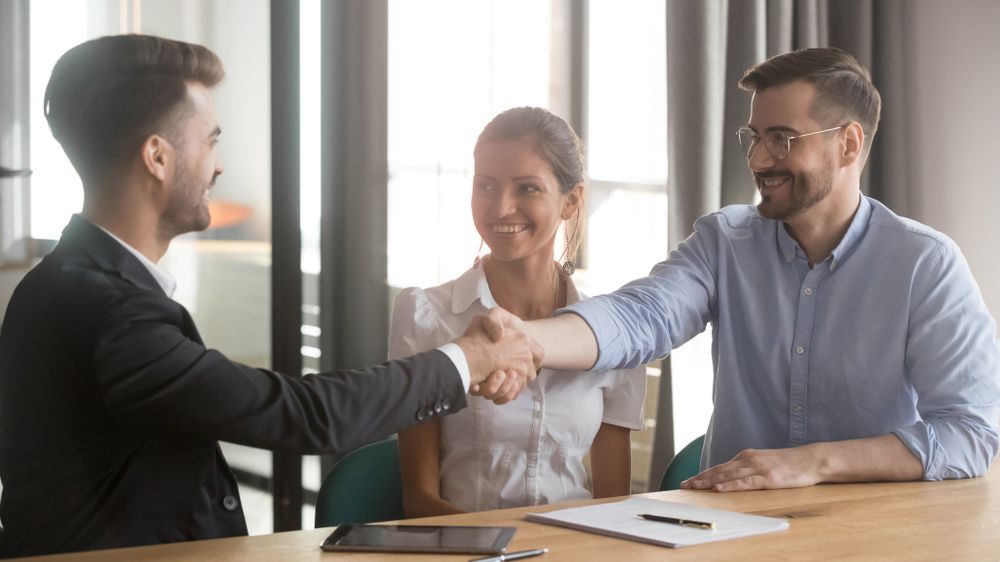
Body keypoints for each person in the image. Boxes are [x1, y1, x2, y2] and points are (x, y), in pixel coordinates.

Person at [0, 35, 538, 558]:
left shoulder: (61, 284)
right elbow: (305, 415)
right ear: (157, 157)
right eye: (210, 140)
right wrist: (468, 358)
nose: (220, 164)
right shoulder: (113, 315)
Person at [501, 47, 1000, 491]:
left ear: (848, 143)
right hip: (733, 531)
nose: (759, 160)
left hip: (870, 536)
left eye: (782, 139)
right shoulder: (725, 242)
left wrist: (814, 463)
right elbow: (640, 316)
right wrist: (525, 340)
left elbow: (970, 434)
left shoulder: (925, 265)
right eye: (755, 137)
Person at [389, 107, 645, 516]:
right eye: (486, 186)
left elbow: (614, 504)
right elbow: (420, 504)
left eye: (527, 188)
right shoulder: (426, 316)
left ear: (571, 200)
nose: (501, 207)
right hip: (469, 551)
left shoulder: (614, 330)